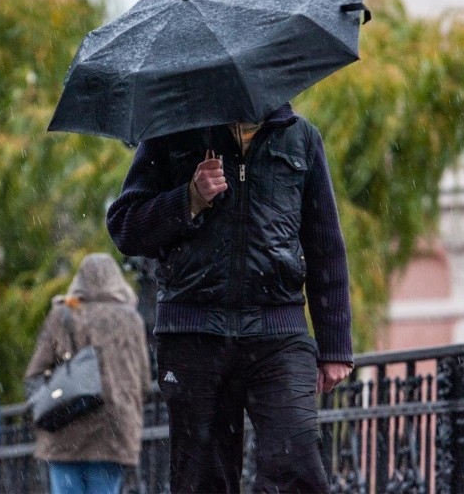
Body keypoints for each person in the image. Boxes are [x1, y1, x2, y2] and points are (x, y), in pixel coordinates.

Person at [106, 102, 354, 493]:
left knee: (298, 465)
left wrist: (335, 345)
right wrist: (188, 198)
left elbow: (325, 244)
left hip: (278, 331)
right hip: (193, 332)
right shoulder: (172, 134)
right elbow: (125, 228)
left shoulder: (301, 138)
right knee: (202, 480)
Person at [25, 252, 151, 494]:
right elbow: (143, 380)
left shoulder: (64, 314)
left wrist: (48, 401)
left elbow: (35, 373)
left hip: (65, 428)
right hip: (114, 430)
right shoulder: (131, 320)